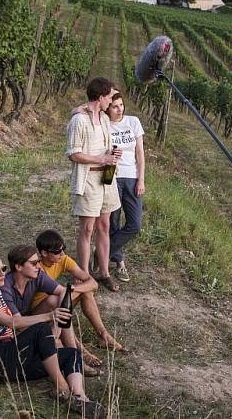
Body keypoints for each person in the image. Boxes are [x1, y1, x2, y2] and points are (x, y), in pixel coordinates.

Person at [0, 246, 104, 417]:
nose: (3, 273)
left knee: (71, 354)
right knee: (41, 328)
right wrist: (49, 316)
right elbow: (13, 322)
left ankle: (81, 399)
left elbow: (60, 292)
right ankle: (63, 391)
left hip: (12, 355)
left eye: (3, 269)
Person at [31, 230, 127, 358]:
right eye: (57, 251)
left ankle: (103, 334)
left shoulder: (63, 259)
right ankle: (79, 351)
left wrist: (73, 288)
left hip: (56, 303)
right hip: (38, 312)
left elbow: (93, 283)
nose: (62, 254)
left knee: (84, 292)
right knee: (57, 300)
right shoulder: (36, 268)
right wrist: (68, 291)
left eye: (63, 249)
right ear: (43, 253)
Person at [66, 77, 122, 291]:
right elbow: (74, 154)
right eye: (109, 97)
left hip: (107, 178)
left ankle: (104, 272)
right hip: (89, 179)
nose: (111, 101)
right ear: (100, 97)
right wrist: (102, 159)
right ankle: (83, 276)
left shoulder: (105, 119)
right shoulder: (79, 121)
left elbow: (105, 148)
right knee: (87, 229)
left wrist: (112, 154)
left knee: (104, 226)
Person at [106, 92, 145, 283]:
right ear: (107, 108)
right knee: (113, 222)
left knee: (134, 225)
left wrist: (141, 179)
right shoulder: (104, 124)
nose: (119, 109)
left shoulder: (133, 122)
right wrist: (110, 152)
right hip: (112, 177)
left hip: (132, 178)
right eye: (114, 106)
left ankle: (103, 254)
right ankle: (119, 263)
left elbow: (140, 153)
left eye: (121, 105)